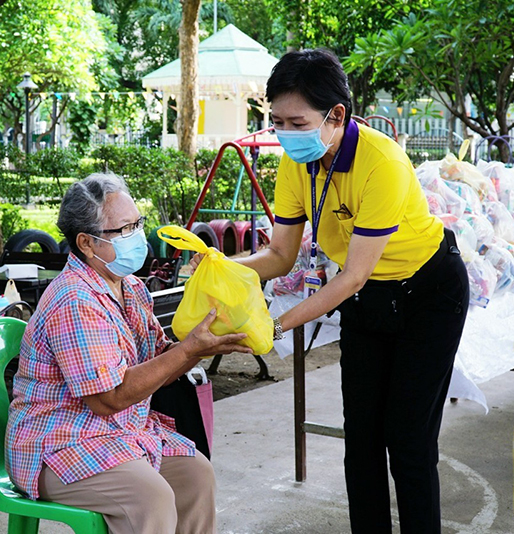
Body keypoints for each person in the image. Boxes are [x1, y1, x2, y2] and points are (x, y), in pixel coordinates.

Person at [192, 49, 469, 533]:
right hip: (367, 298)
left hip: (428, 294)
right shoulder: (296, 164)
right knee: (361, 438)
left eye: (296, 122)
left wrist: (273, 325)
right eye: (277, 121)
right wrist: (221, 266)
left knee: (408, 440)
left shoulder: (381, 161)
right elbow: (280, 255)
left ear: (336, 115)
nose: (284, 133)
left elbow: (352, 275)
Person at [5, 174, 252, 534]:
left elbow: (160, 362)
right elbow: (108, 398)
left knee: (196, 475)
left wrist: (205, 330)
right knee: (150, 497)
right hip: (59, 443)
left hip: (121, 433)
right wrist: (190, 349)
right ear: (86, 243)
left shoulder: (130, 287)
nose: (137, 236)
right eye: (124, 229)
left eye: (138, 224)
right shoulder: (74, 300)